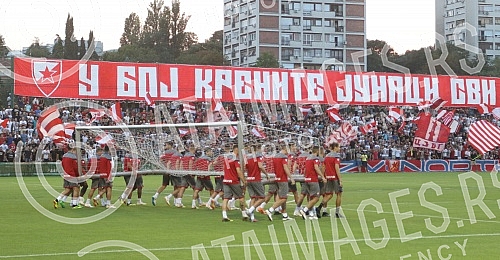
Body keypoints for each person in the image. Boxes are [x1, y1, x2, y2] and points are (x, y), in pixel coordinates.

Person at [264, 144, 295, 221]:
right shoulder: (284, 157)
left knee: (282, 196)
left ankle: (284, 215)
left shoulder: (275, 157)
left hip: (277, 178)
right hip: (282, 179)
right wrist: (291, 178)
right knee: (283, 198)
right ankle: (270, 210)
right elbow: (285, 167)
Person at [221, 144, 249, 222]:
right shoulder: (235, 159)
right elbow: (238, 171)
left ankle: (224, 215)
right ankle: (244, 214)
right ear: (236, 150)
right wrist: (244, 180)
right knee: (241, 197)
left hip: (226, 180)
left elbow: (224, 168)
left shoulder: (226, 158)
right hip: (233, 180)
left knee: (225, 198)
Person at [316, 143, 344, 218]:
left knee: (329, 194)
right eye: (338, 147)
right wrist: (340, 179)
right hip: (335, 177)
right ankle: (337, 213)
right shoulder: (336, 157)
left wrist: (323, 177)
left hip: (328, 177)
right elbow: (336, 168)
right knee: (339, 194)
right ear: (335, 147)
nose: (339, 148)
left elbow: (323, 167)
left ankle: (319, 208)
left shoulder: (327, 156)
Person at [299, 146, 326, 220]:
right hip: (313, 180)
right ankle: (304, 210)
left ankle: (311, 214)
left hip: (307, 179)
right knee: (316, 198)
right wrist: (322, 176)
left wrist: (305, 176)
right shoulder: (315, 159)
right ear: (317, 151)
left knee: (311, 197)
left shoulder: (307, 158)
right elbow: (316, 168)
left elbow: (305, 169)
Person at [244, 144, 269, 222]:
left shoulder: (247, 157)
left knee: (253, 198)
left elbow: (245, 167)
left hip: (249, 179)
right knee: (262, 197)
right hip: (256, 179)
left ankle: (252, 218)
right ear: (257, 149)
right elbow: (260, 166)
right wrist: (266, 174)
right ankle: (249, 210)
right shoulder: (258, 156)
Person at [53, 145, 82, 209]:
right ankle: (74, 204)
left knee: (67, 189)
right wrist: (78, 174)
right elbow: (75, 167)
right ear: (72, 149)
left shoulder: (64, 156)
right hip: (72, 175)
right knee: (76, 188)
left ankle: (57, 200)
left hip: (66, 175)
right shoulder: (73, 157)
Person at [152, 141, 176, 206]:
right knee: (176, 186)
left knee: (164, 185)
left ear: (170, 145)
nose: (165, 146)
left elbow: (160, 160)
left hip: (165, 170)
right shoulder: (174, 152)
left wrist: (162, 166)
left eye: (166, 145)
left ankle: (155, 196)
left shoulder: (165, 153)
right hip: (172, 170)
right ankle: (175, 201)